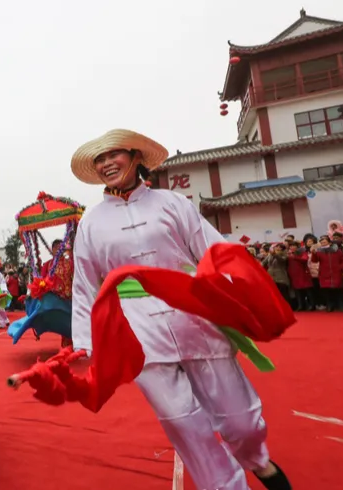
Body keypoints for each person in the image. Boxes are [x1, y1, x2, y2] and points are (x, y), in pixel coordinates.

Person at [69, 129, 290, 490]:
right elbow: (85, 285)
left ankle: (257, 459)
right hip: (137, 330)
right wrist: (84, 340)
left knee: (240, 420)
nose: (107, 163)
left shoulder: (173, 203)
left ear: (136, 156)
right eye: (100, 159)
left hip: (194, 316)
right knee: (183, 423)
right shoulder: (91, 223)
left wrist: (240, 291)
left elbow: (211, 249)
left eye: (114, 155)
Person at [310, 235, 343, 312]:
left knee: (338, 290)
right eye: (322, 242)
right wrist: (313, 253)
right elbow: (314, 260)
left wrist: (340, 268)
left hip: (336, 273)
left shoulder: (337, 251)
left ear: (329, 242)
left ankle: (340, 305)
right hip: (324, 273)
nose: (323, 243)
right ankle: (330, 305)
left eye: (325, 242)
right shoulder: (319, 251)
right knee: (327, 290)